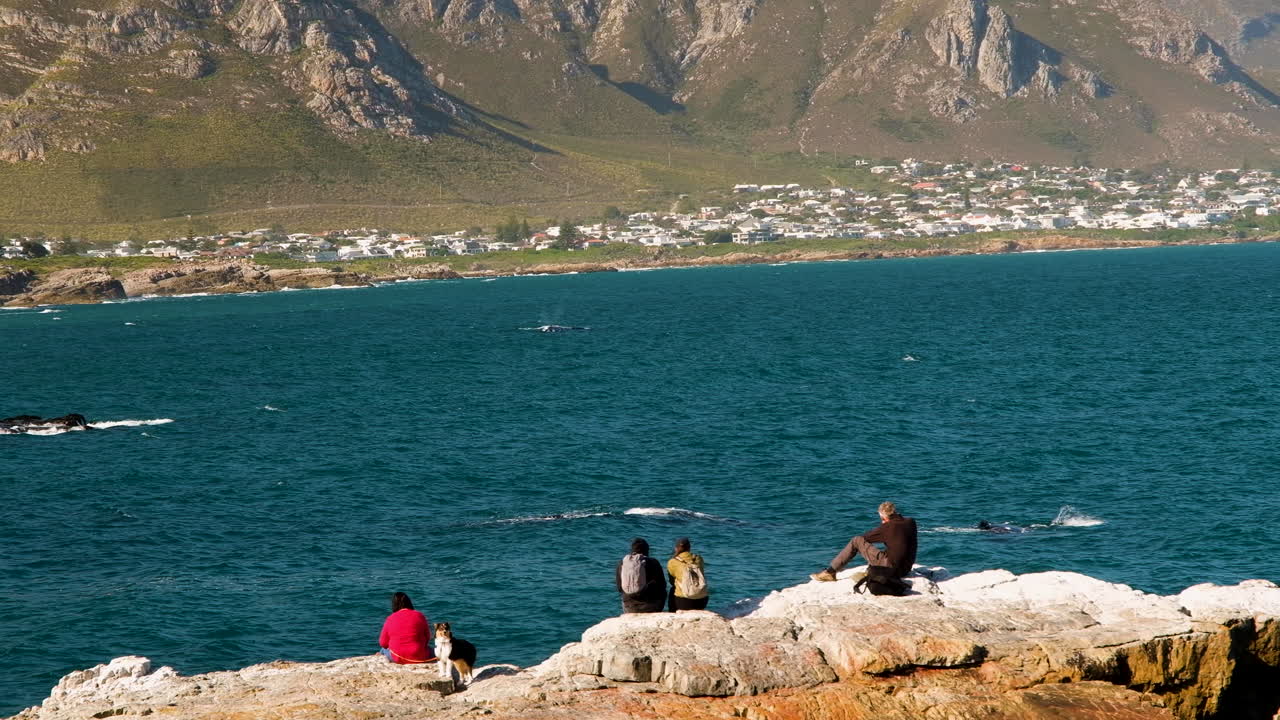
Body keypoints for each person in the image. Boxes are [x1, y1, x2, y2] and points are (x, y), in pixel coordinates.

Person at [810, 501, 918, 582]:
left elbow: (864, 538)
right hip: (906, 569)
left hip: (891, 570)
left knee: (856, 540)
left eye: (882, 519)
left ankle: (830, 572)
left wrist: (883, 526)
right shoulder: (911, 522)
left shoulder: (887, 526)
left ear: (884, 517)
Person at [378, 591, 435, 664]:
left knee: (383, 650)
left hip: (397, 657)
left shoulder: (390, 618)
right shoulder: (419, 615)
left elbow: (383, 643)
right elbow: (427, 637)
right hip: (419, 656)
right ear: (409, 602)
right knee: (435, 650)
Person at [615, 537, 665, 613]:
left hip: (629, 606)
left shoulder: (622, 563)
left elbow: (619, 588)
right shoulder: (653, 562)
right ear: (646, 550)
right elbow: (662, 585)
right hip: (650, 606)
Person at [667, 537, 710, 611]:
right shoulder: (699, 558)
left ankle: (673, 612)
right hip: (702, 601)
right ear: (689, 548)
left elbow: (672, 582)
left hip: (684, 602)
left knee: (673, 588)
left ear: (676, 548)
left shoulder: (672, 562)